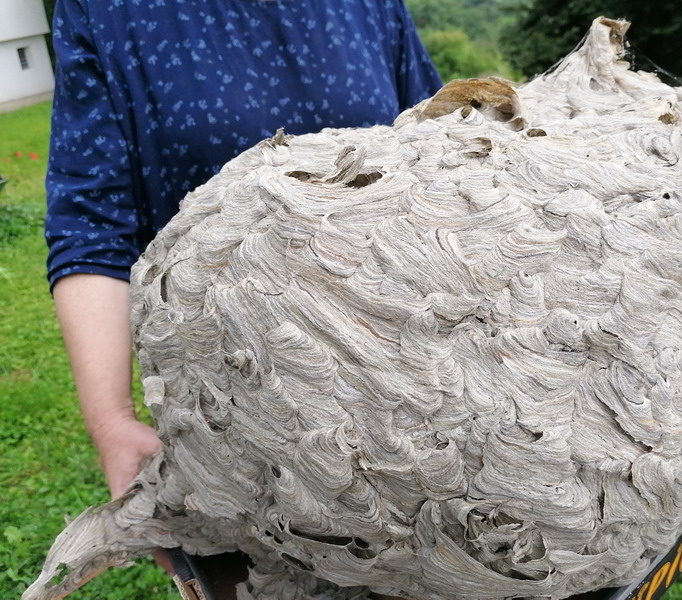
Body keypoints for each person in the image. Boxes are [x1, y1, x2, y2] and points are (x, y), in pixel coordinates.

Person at [45, 0, 442, 502]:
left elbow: (435, 142)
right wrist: (112, 420)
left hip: (400, 373)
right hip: (228, 397)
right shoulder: (106, 11)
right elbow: (90, 225)